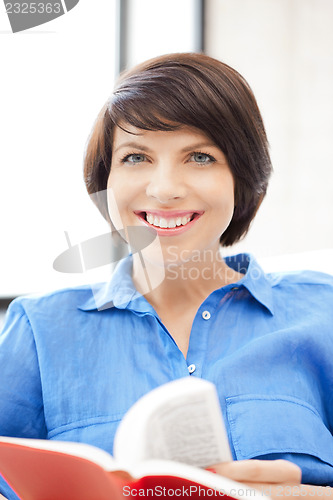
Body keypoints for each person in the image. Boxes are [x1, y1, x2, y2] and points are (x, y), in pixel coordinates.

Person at [0, 53, 332, 499]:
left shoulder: (323, 311)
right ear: (106, 179)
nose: (165, 189)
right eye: (136, 157)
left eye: (199, 156)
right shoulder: (39, 330)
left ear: (242, 176)